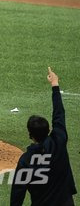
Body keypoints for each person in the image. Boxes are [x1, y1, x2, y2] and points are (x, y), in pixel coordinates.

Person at [10, 68, 77, 206]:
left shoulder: (26, 161)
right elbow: (59, 114)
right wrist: (55, 84)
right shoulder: (59, 140)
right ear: (49, 130)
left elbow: (18, 193)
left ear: (30, 134)